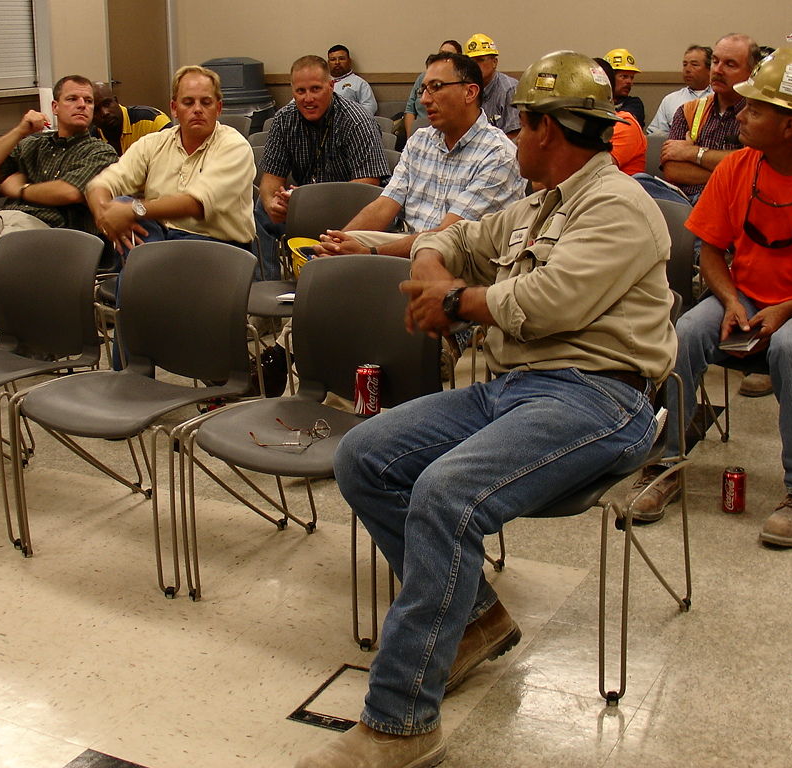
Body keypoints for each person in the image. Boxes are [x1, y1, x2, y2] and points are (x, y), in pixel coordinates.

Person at [295, 51, 676, 768]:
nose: (514, 134)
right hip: (513, 388)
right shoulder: (539, 205)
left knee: (445, 492)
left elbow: (543, 303)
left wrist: (452, 300)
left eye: (522, 123)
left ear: (545, 130)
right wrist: (436, 271)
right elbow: (449, 236)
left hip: (600, 397)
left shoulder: (621, 208)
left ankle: (400, 724)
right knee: (365, 456)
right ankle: (473, 621)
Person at [627, 48, 792, 546]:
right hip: (742, 297)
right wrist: (728, 299)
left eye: (755, 110)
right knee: (682, 334)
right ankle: (665, 464)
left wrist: (787, 309)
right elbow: (711, 253)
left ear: (791, 126)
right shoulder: (736, 169)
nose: (741, 116)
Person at [313, 50, 525, 259]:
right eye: (423, 89)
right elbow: (384, 205)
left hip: (464, 260)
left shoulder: (497, 154)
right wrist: (338, 243)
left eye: (436, 87)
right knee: (341, 250)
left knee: (357, 260)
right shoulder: (420, 141)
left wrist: (370, 253)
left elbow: (447, 237)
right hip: (414, 245)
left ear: (469, 92)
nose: (424, 100)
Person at [87, 65, 255, 252]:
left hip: (216, 246)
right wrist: (105, 216)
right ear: (174, 108)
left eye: (206, 102)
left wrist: (133, 210)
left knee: (132, 223)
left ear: (218, 108)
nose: (197, 109)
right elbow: (101, 184)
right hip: (162, 237)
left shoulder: (234, 146)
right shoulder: (153, 143)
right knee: (123, 210)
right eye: (188, 102)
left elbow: (196, 205)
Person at [255, 55, 388, 278]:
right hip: (306, 209)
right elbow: (270, 181)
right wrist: (273, 205)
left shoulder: (356, 120)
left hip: (356, 210)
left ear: (331, 86)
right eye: (301, 91)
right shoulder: (283, 121)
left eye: (316, 89)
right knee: (260, 208)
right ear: (292, 91)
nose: (308, 98)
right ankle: (267, 291)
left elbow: (368, 186)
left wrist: (309, 204)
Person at [0, 75, 118, 237]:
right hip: (5, 217)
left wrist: (21, 190)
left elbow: (70, 192)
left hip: (51, 230)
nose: (82, 105)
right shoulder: (33, 145)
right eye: (72, 99)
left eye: (88, 101)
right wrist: (20, 131)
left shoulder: (100, 151)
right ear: (55, 107)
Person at [661, 33, 761, 203]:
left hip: (731, 201)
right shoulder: (688, 110)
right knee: (641, 181)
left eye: (730, 64)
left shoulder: (759, 116)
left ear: (752, 73)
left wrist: (692, 153)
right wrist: (730, 170)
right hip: (684, 201)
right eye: (715, 61)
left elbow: (753, 168)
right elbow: (672, 170)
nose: (718, 70)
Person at [593, 57, 648, 174]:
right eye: (624, 76)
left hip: (612, 189)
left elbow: (593, 172)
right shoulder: (580, 123)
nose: (629, 82)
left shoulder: (626, 124)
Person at [403, 40, 462, 140]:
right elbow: (410, 110)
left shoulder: (457, 82)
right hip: (418, 134)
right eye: (441, 53)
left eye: (448, 55)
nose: (425, 99)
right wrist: (410, 137)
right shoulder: (423, 78)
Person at [90, 81, 172, 154]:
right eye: (95, 110)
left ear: (116, 101)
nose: (105, 113)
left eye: (107, 104)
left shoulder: (152, 121)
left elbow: (177, 153)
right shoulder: (93, 138)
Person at [648, 44, 713, 135]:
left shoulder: (720, 98)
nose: (687, 69)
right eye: (685, 65)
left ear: (710, 70)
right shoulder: (670, 100)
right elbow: (654, 134)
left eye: (694, 65)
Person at [463, 33, 518, 136]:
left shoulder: (509, 90)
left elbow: (514, 137)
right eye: (471, 62)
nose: (475, 66)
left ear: (495, 62)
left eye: (480, 60)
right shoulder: (465, 90)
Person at [327, 44, 378, 115]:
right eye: (333, 59)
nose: (337, 62)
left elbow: (370, 107)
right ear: (328, 63)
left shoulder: (359, 83)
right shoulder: (322, 82)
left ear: (349, 61)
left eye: (342, 58)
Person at [604, 47, 646, 125]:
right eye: (624, 76)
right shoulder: (596, 102)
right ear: (609, 77)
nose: (629, 81)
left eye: (632, 77)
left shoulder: (634, 104)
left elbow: (624, 123)